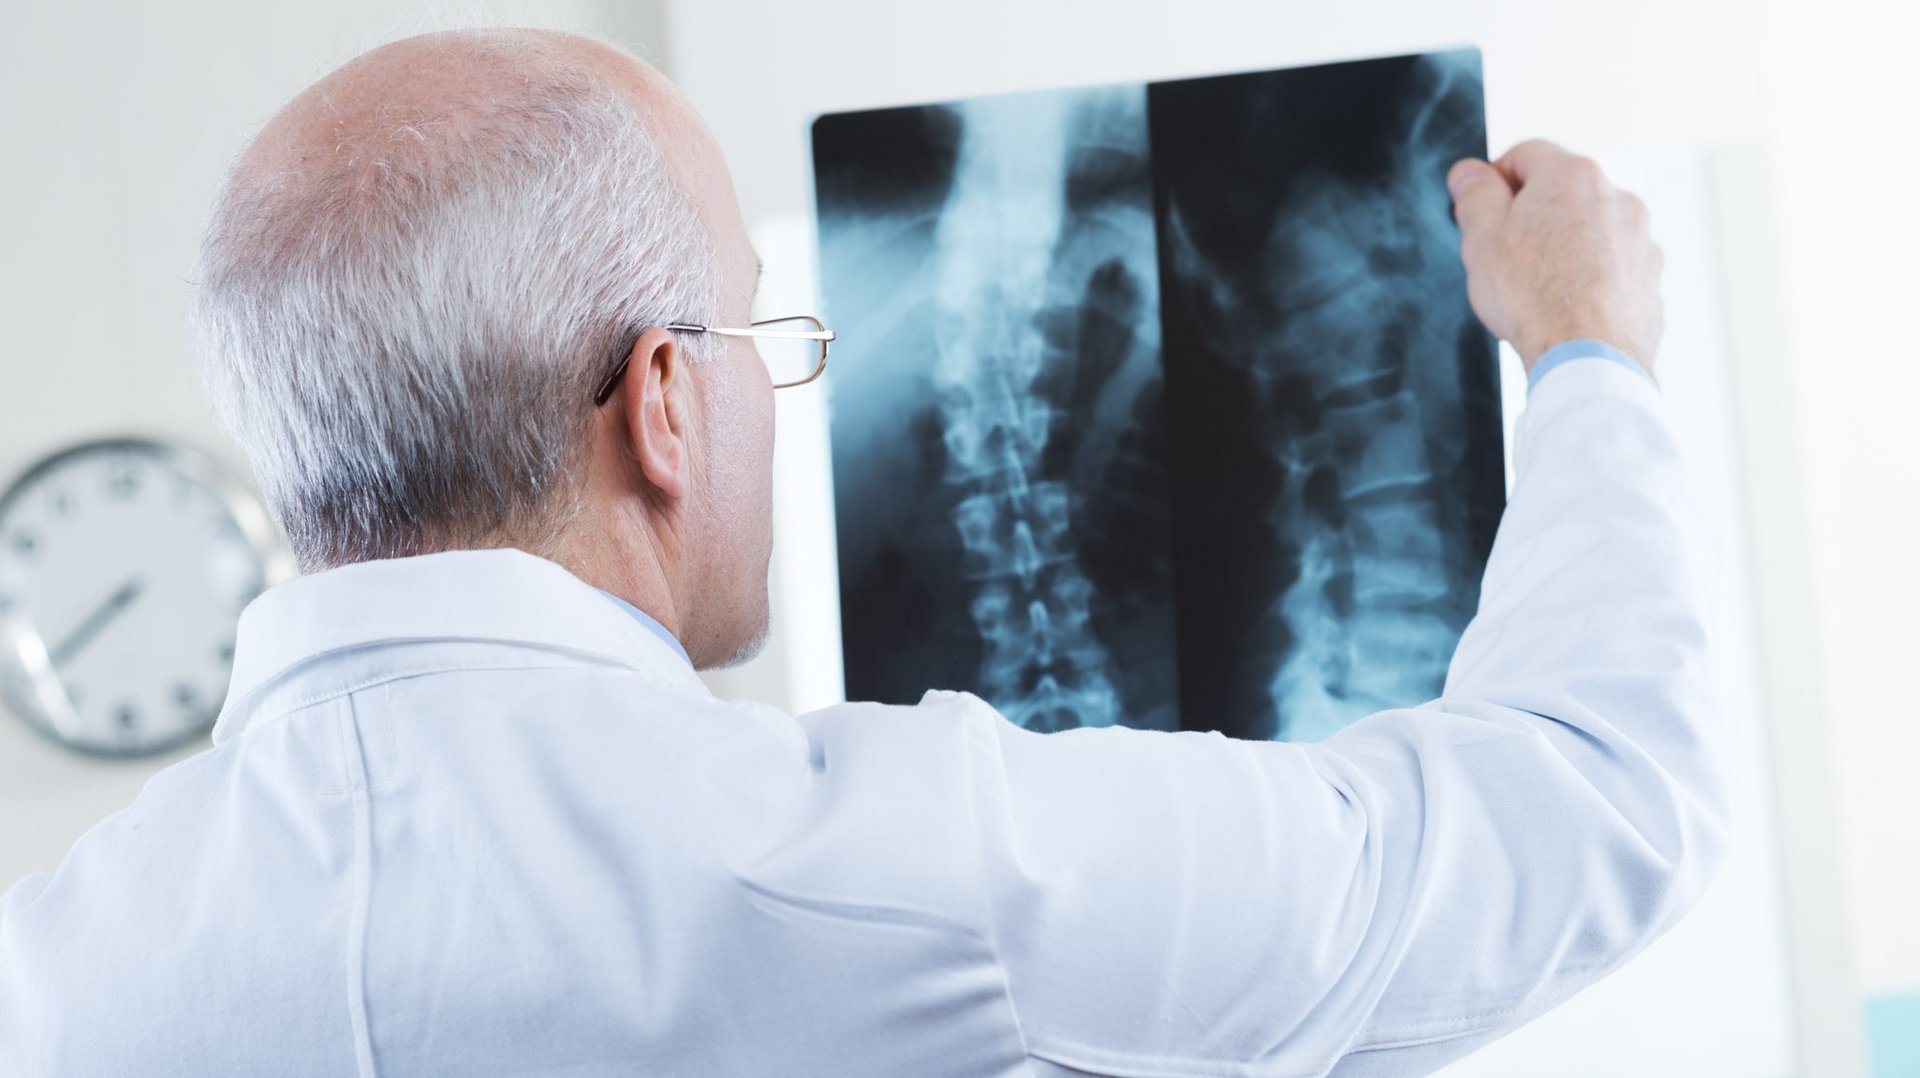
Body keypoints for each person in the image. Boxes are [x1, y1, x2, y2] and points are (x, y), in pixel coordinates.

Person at [0, 27, 1724, 1078]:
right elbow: (1591, 802)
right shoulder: (921, 869)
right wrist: (1590, 353)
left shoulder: (56, 978)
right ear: (663, 400)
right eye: (754, 332)